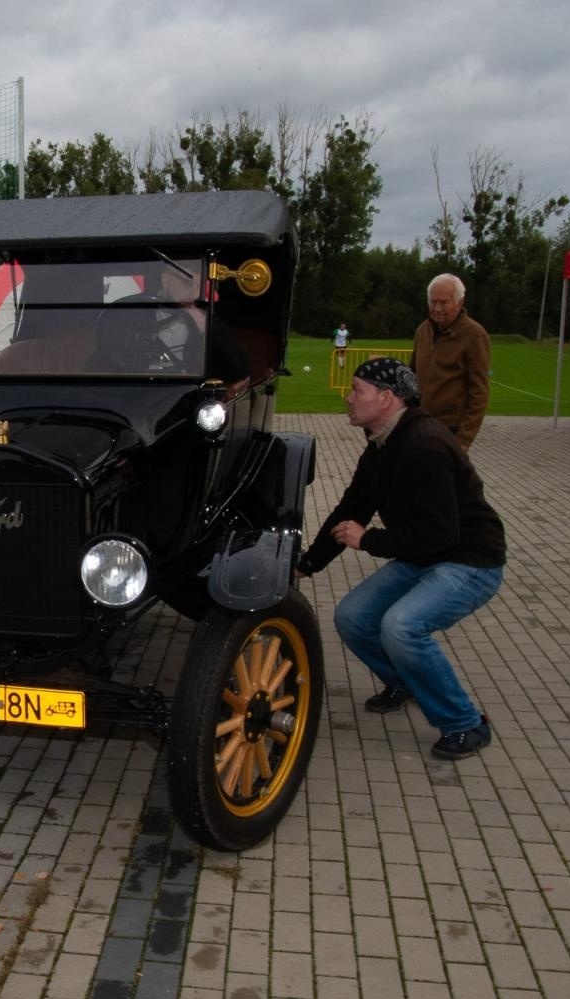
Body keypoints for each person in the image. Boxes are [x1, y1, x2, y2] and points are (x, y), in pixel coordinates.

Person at [293, 357, 506, 761]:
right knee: (352, 617)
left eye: (357, 390)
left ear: (387, 398)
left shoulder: (423, 444)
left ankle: (465, 722)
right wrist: (306, 565)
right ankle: (406, 680)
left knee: (401, 627)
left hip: (471, 561)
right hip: (426, 554)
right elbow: (349, 511)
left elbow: (443, 532)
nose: (348, 398)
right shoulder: (382, 443)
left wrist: (369, 540)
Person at [411, 274, 490, 450]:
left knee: (444, 476)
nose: (437, 308)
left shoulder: (474, 335)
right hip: (420, 421)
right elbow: (411, 374)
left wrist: (464, 439)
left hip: (450, 427)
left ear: (460, 302)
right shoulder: (423, 330)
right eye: (433, 302)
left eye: (443, 302)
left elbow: (480, 392)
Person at [156, 263, 249, 382]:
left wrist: (208, 328)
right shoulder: (138, 312)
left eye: (199, 287)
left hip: (183, 390)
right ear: (166, 281)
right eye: (187, 284)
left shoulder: (205, 316)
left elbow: (241, 371)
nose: (195, 295)